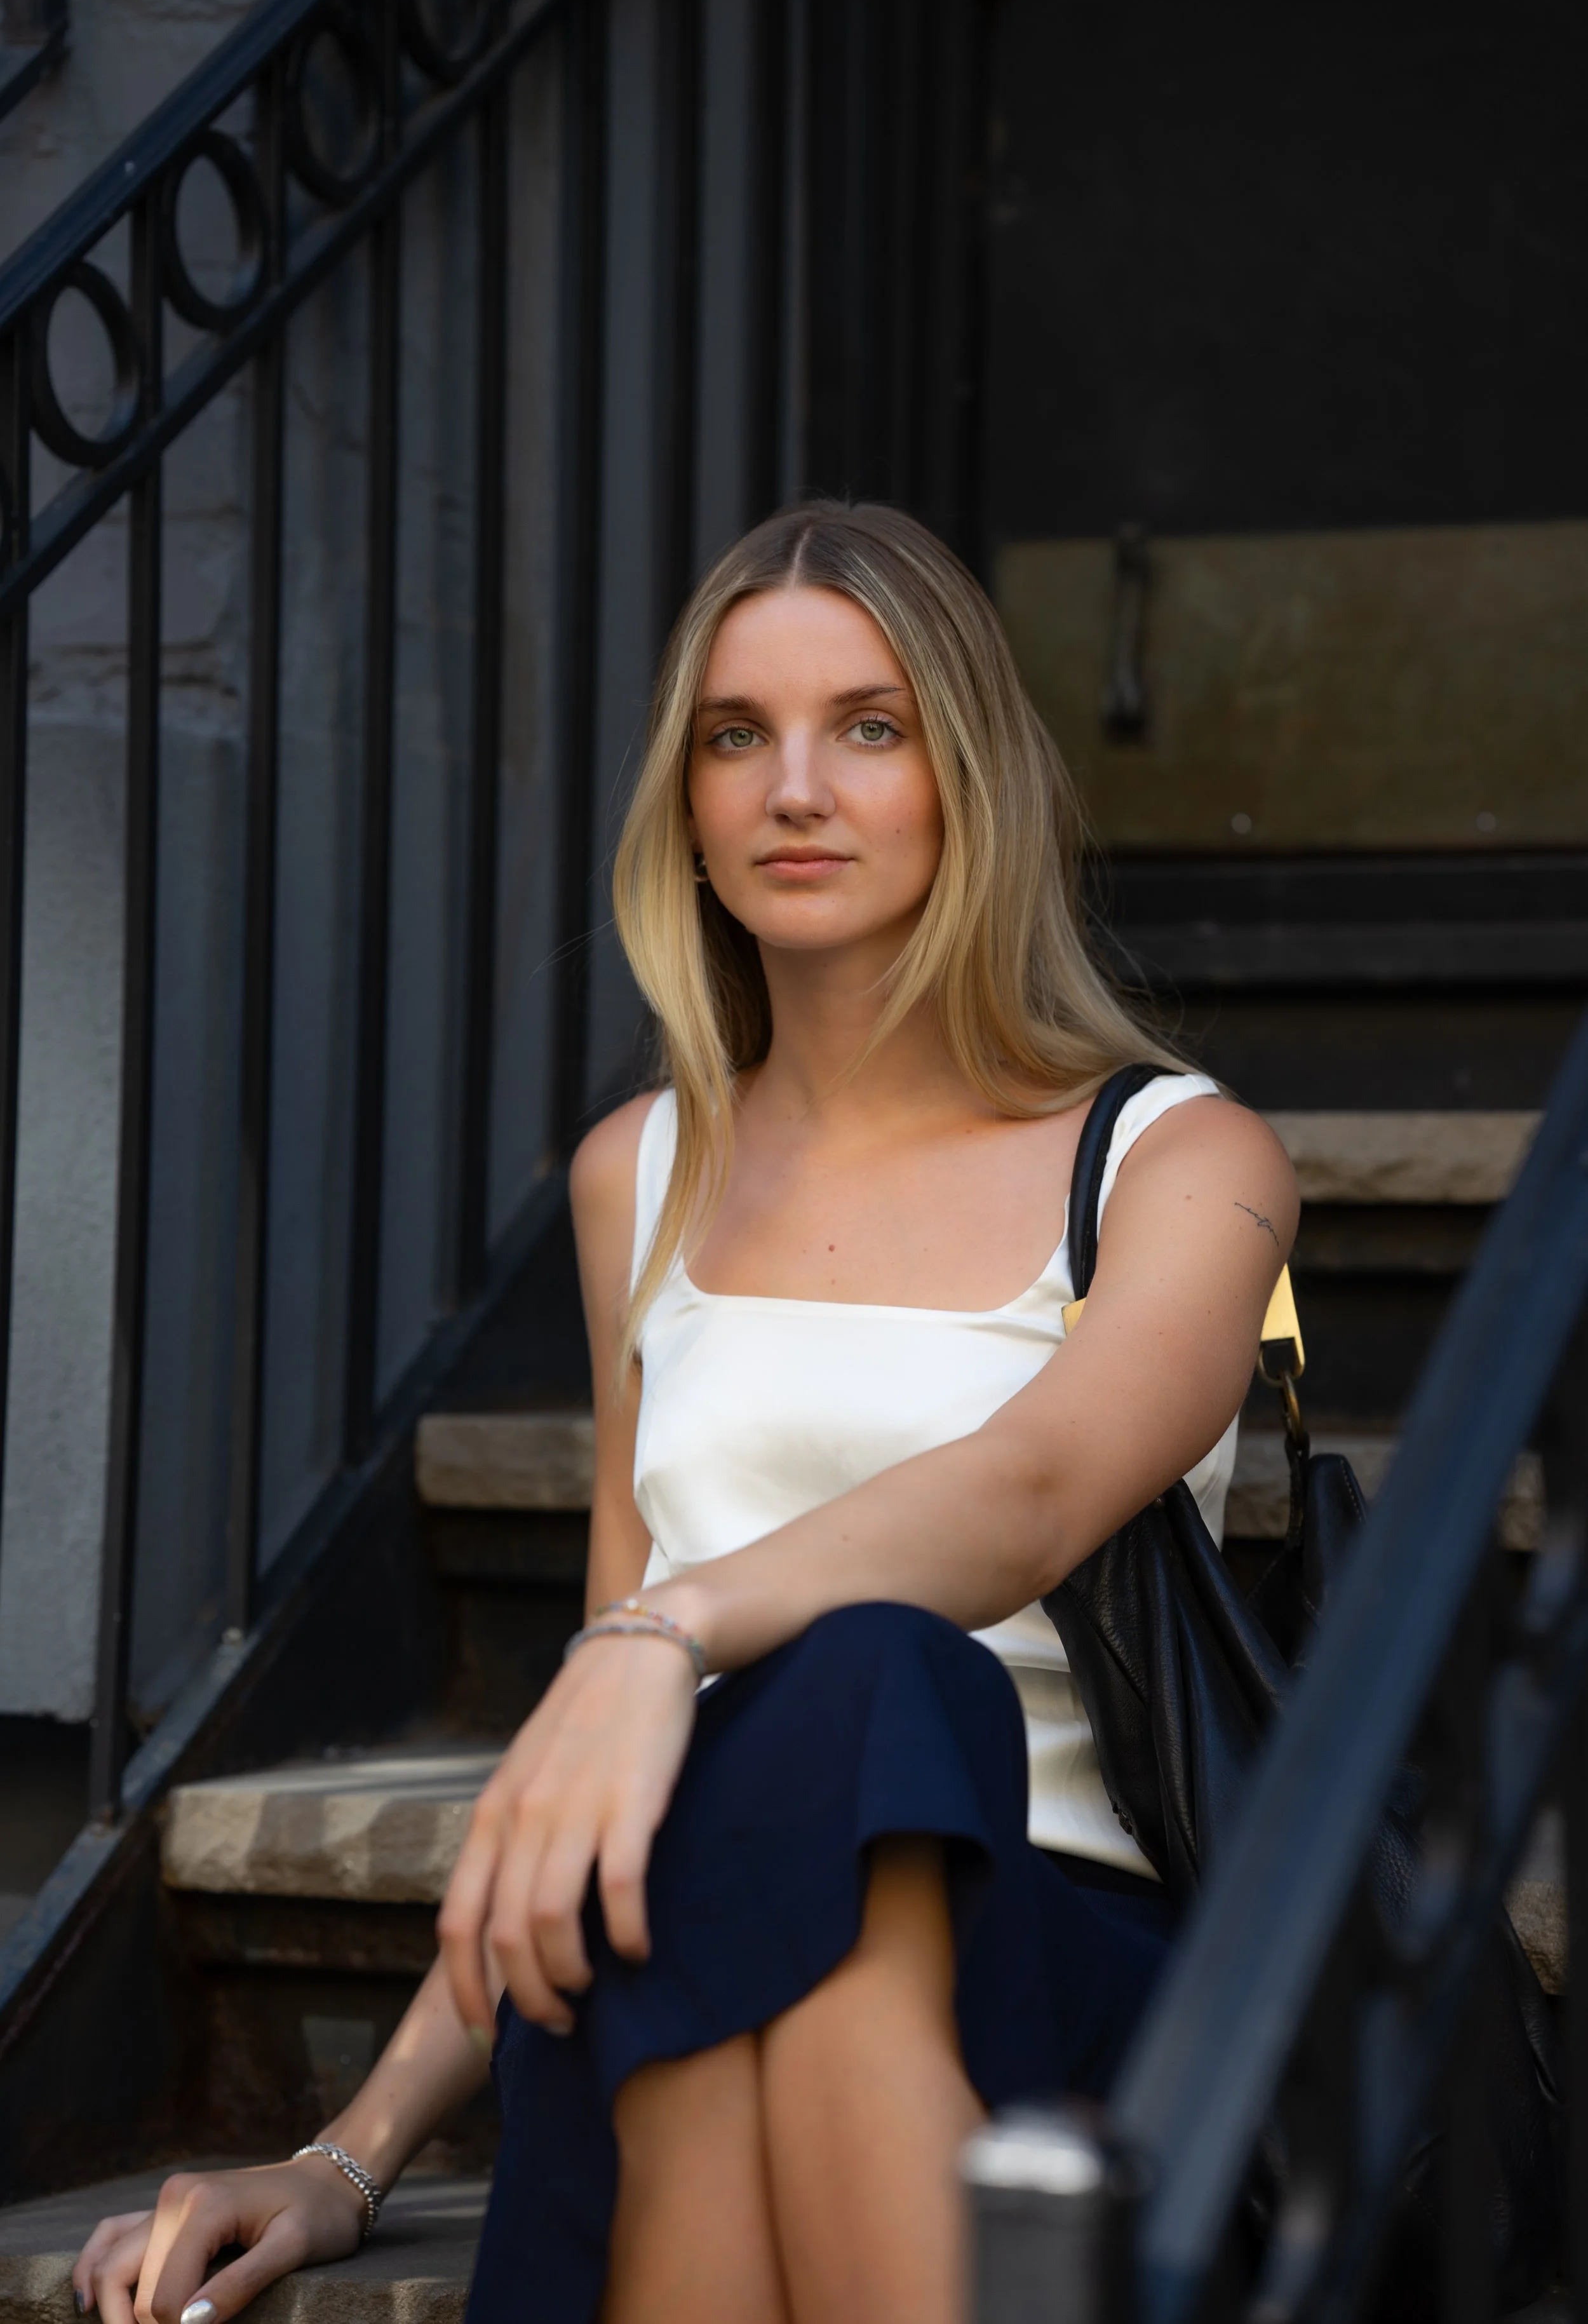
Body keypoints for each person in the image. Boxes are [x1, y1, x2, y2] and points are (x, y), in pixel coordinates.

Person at [72, 502, 1296, 2324]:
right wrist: (348, 2153)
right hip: (675, 1933)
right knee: (733, 1833)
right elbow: (579, 1767)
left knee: (878, 1678)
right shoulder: (637, 1175)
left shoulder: (1178, 1158)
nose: (795, 787)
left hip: (1050, 1960)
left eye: (868, 726)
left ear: (967, 781)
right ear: (691, 806)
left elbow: (1033, 1487)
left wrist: (671, 1632)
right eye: (737, 735)